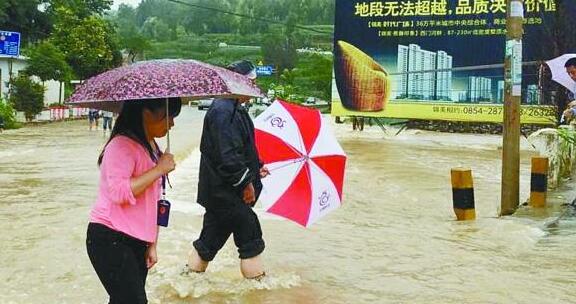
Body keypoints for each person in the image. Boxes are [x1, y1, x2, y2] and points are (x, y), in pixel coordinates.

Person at [86, 97, 181, 303]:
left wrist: (152, 244)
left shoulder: (151, 148)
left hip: (137, 240)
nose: (172, 124)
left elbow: (154, 200)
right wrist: (159, 170)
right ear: (146, 113)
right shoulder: (121, 145)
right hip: (110, 237)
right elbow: (118, 193)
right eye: (168, 116)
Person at [187, 60, 270, 280]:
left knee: (210, 240)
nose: (253, 89)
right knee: (250, 234)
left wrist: (257, 166)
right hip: (226, 193)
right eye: (251, 83)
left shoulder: (234, 108)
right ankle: (259, 288)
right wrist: (245, 183)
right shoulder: (223, 111)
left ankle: (187, 281)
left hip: (220, 193)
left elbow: (240, 148)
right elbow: (227, 156)